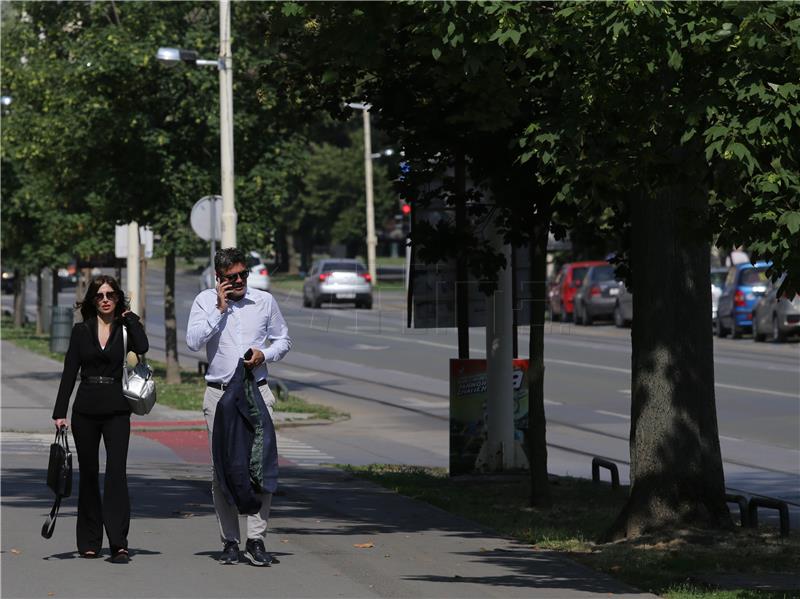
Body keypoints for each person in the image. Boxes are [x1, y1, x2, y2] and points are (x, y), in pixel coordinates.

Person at [186, 247, 292, 567]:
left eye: (243, 274)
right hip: (219, 395)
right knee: (222, 471)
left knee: (260, 466)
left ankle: (256, 538)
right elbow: (193, 342)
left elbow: (284, 340)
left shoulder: (264, 302)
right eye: (231, 277)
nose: (239, 281)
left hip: (256, 392)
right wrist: (219, 308)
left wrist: (265, 355)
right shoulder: (206, 301)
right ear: (219, 278)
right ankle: (230, 541)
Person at [52, 275, 149, 563]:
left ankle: (119, 543)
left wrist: (130, 319)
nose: (105, 299)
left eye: (110, 295)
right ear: (92, 301)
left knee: (117, 474)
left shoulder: (125, 328)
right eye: (99, 295)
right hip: (86, 410)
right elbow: (70, 370)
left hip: (118, 409)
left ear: (118, 298)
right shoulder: (81, 331)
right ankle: (90, 541)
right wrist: (60, 412)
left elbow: (141, 348)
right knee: (90, 476)